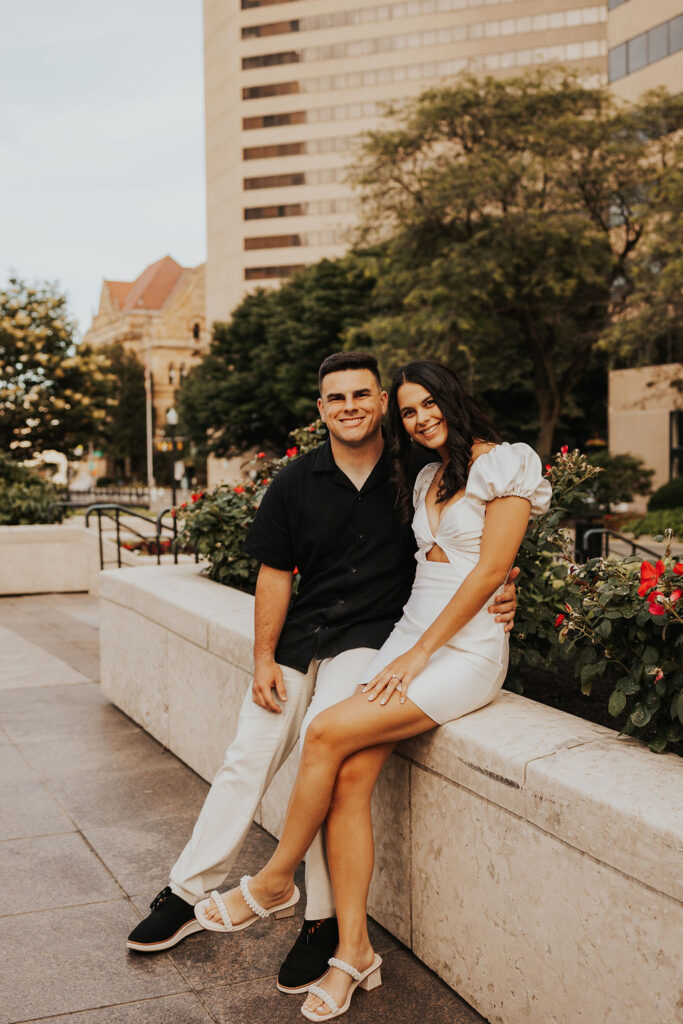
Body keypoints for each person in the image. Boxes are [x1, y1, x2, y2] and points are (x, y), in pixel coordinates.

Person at [126, 352, 519, 995]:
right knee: (246, 756)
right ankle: (185, 891)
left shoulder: (417, 465)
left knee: (324, 742)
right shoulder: (295, 481)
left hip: (373, 640)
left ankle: (319, 921)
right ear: (321, 410)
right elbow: (275, 574)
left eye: (363, 394)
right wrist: (261, 658)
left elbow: (479, 539)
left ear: (378, 402)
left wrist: (509, 585)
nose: (351, 406)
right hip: (301, 636)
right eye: (336, 398)